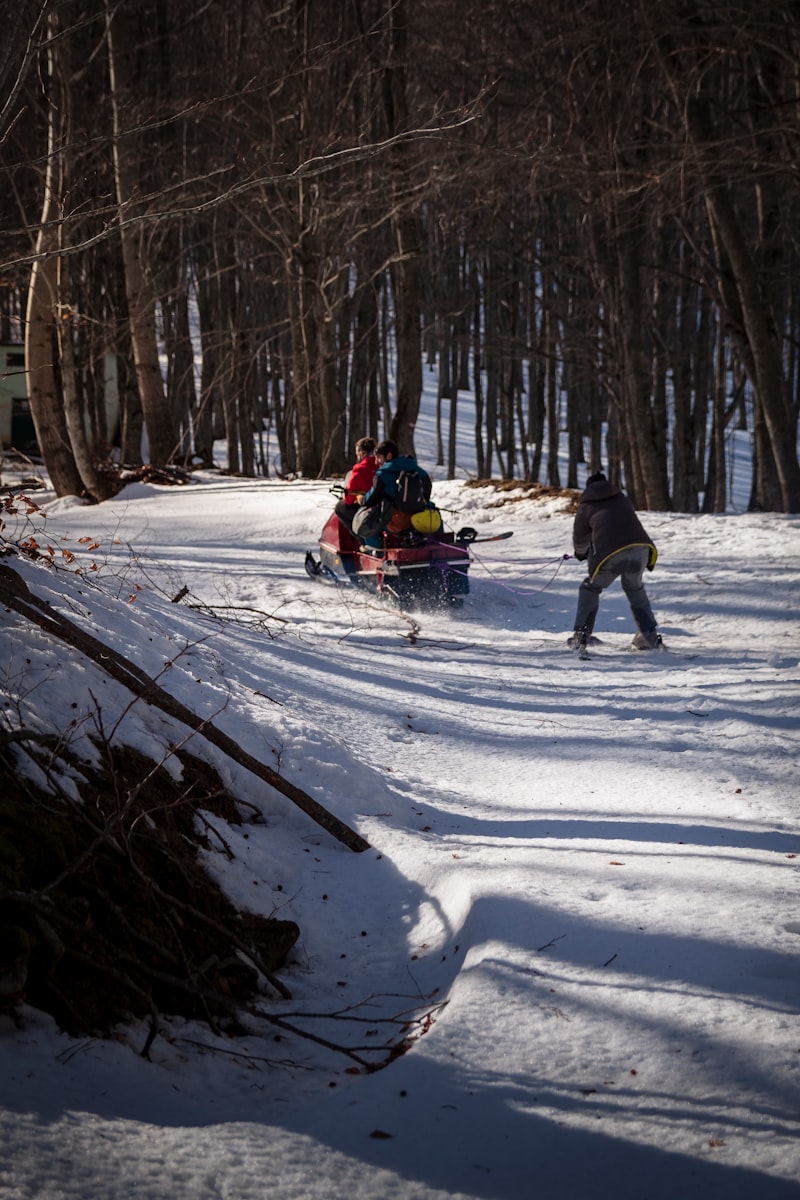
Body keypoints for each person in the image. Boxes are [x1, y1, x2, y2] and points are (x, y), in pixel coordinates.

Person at [569, 470, 661, 652]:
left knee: (590, 588)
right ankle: (649, 636)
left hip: (610, 555)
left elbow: (580, 538)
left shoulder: (586, 506)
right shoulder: (622, 498)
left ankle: (581, 636)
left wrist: (580, 553)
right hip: (640, 549)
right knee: (635, 588)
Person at [355, 439, 432, 548]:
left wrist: (361, 498)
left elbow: (370, 499)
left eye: (379, 458)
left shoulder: (383, 474)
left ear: (389, 456)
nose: (376, 462)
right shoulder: (418, 470)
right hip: (419, 519)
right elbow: (427, 491)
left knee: (366, 526)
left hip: (396, 523)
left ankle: (376, 550)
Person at [334, 437, 377, 533]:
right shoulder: (381, 465)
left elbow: (349, 498)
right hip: (382, 506)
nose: (357, 456)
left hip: (366, 506)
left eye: (357, 454)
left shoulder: (360, 469)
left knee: (340, 507)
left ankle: (359, 535)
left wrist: (356, 494)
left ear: (362, 453)